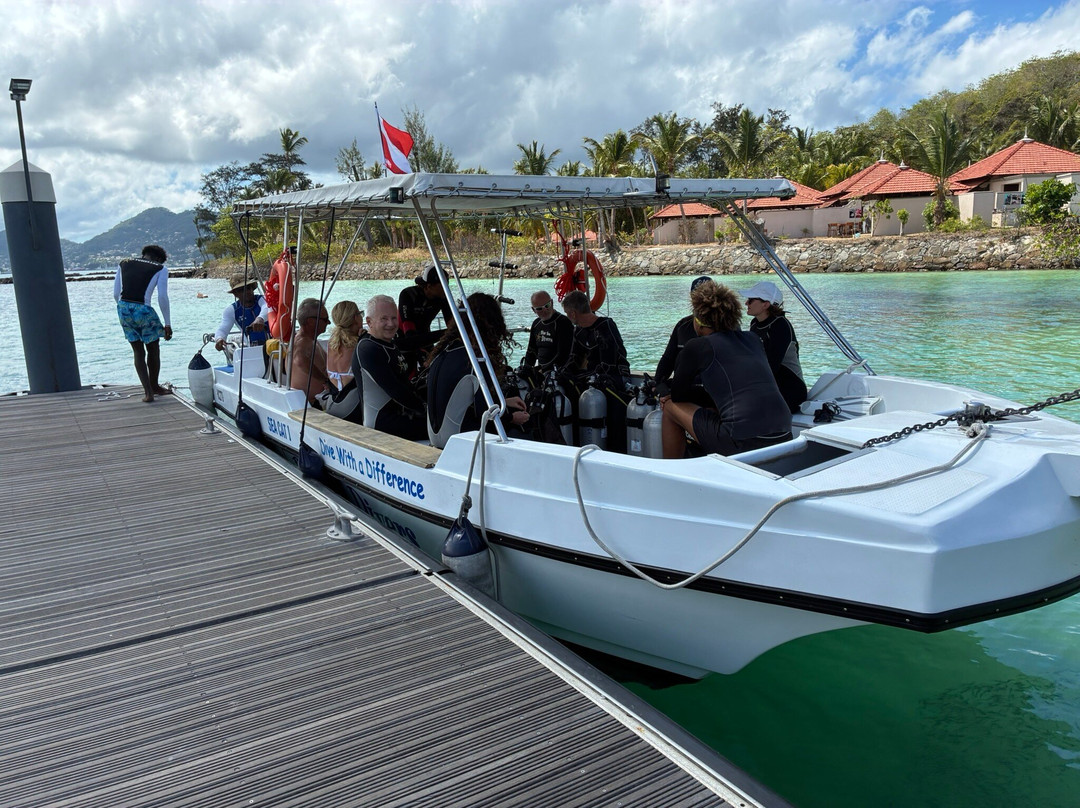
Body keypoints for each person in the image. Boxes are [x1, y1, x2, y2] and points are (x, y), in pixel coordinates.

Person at [661, 280, 791, 458]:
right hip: (785, 434)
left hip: (743, 442)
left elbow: (678, 396)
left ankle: (673, 472)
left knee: (669, 406)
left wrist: (665, 389)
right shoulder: (752, 339)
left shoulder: (697, 346)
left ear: (698, 321)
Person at [426, 292, 529, 447]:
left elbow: (463, 400)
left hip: (436, 438)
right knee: (523, 430)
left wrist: (505, 402)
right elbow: (486, 416)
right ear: (492, 324)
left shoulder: (443, 351)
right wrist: (513, 418)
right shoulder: (475, 359)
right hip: (456, 442)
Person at [561, 290, 631, 452]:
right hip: (593, 378)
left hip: (615, 377)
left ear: (572, 313)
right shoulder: (578, 331)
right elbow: (573, 360)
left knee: (601, 386)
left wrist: (586, 377)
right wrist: (561, 375)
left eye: (567, 313)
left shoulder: (606, 326)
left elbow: (609, 363)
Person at [354, 295, 427, 439]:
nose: (391, 324)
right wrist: (425, 409)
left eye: (394, 318)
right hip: (381, 423)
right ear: (369, 322)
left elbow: (405, 385)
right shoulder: (368, 348)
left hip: (400, 415)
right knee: (444, 426)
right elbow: (396, 390)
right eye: (384, 319)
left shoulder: (388, 343)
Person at [113, 244, 172, 403]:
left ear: (144, 254)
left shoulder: (124, 263)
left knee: (138, 351)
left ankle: (148, 393)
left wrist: (124, 309)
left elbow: (116, 293)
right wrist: (167, 324)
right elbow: (162, 297)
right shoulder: (160, 268)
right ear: (159, 258)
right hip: (143, 309)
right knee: (153, 348)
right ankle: (155, 386)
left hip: (123, 308)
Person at [743, 281, 808, 413]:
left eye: (750, 300)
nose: (746, 303)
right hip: (771, 387)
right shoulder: (755, 324)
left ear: (765, 304)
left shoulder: (780, 325)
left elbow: (771, 365)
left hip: (790, 390)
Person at [654, 276, 712, 387]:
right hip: (684, 389)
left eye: (706, 296)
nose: (702, 300)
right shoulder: (682, 325)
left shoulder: (727, 325)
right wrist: (656, 384)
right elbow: (668, 359)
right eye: (697, 296)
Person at [397, 265, 453, 374]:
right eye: (442, 285)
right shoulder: (408, 294)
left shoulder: (442, 297)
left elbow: (451, 324)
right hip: (404, 336)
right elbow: (408, 330)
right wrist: (419, 351)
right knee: (410, 370)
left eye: (447, 283)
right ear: (428, 286)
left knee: (430, 370)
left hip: (424, 335)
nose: (446, 288)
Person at [519, 289, 573, 386]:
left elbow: (563, 354)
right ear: (533, 310)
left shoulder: (563, 323)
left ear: (551, 303)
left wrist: (543, 370)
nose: (544, 310)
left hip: (558, 372)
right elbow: (531, 350)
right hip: (541, 370)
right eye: (539, 309)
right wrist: (526, 369)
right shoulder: (536, 324)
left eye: (547, 306)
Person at [289, 298, 331, 407]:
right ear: (311, 321)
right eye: (325, 319)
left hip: (317, 402)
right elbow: (300, 360)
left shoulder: (309, 340)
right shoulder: (302, 342)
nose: (329, 322)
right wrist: (325, 381)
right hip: (311, 406)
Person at [213, 273, 268, 352]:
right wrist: (219, 339)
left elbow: (267, 308)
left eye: (248, 288)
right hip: (253, 349)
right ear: (235, 294)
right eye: (242, 290)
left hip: (274, 345)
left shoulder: (262, 300)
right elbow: (222, 329)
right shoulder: (232, 310)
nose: (247, 292)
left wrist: (260, 318)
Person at [326, 300, 363, 390]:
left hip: (337, 397)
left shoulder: (331, 343)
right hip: (355, 398)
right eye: (361, 314)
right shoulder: (359, 345)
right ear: (355, 318)